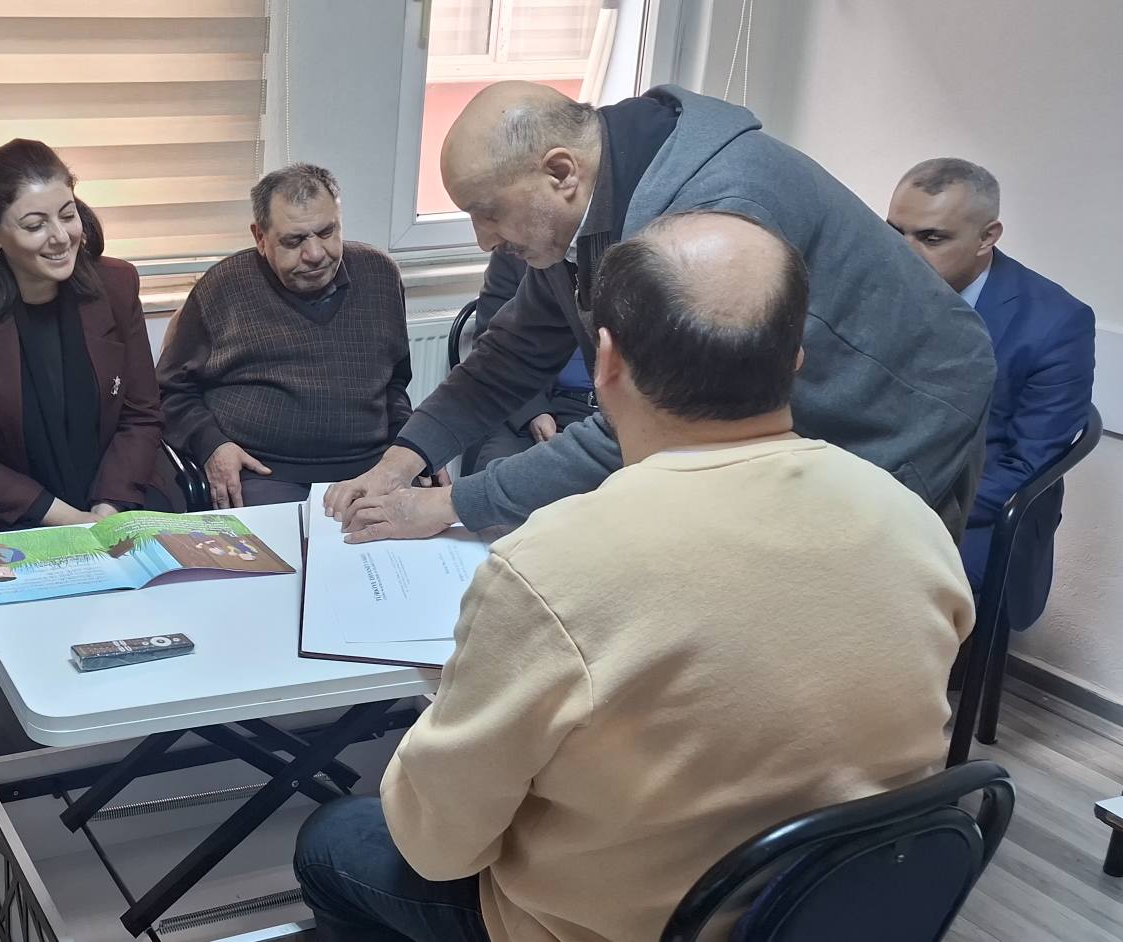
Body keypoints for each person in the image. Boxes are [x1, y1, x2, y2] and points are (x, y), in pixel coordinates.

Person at [293, 211, 973, 942]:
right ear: (797, 359)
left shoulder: (552, 566)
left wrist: (453, 703)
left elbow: (437, 846)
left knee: (335, 839)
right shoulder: (913, 522)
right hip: (840, 916)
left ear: (607, 362)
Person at [324, 82, 994, 542]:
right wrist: (400, 462)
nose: (483, 239)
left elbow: (650, 422)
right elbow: (510, 356)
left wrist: (449, 504)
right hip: (786, 431)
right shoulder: (588, 204)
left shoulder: (712, 222)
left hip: (901, 421)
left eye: (488, 212)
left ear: (561, 173)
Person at [0, 139, 164, 535]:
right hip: (8, 514)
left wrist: (107, 508)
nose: (61, 237)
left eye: (68, 215)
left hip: (113, 498)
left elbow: (141, 415)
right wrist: (73, 522)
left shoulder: (116, 284)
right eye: (35, 225)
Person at [887, 157, 1095, 633]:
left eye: (931, 238)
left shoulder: (1057, 323)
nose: (904, 253)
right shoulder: (878, 286)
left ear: (987, 237)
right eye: (896, 232)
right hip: (880, 482)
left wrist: (905, 508)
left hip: (977, 508)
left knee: (874, 584)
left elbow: (1028, 464)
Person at [155, 164, 413, 507]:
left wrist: (411, 447)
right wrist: (213, 445)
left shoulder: (380, 274)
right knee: (278, 543)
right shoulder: (223, 287)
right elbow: (171, 391)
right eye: (294, 240)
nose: (315, 254)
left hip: (368, 468)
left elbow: (395, 383)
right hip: (262, 471)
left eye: (327, 232)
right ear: (260, 238)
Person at [460, 252, 598, 474]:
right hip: (535, 400)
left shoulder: (631, 248)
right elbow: (495, 350)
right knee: (496, 467)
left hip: (613, 408)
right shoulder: (511, 253)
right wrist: (534, 412)